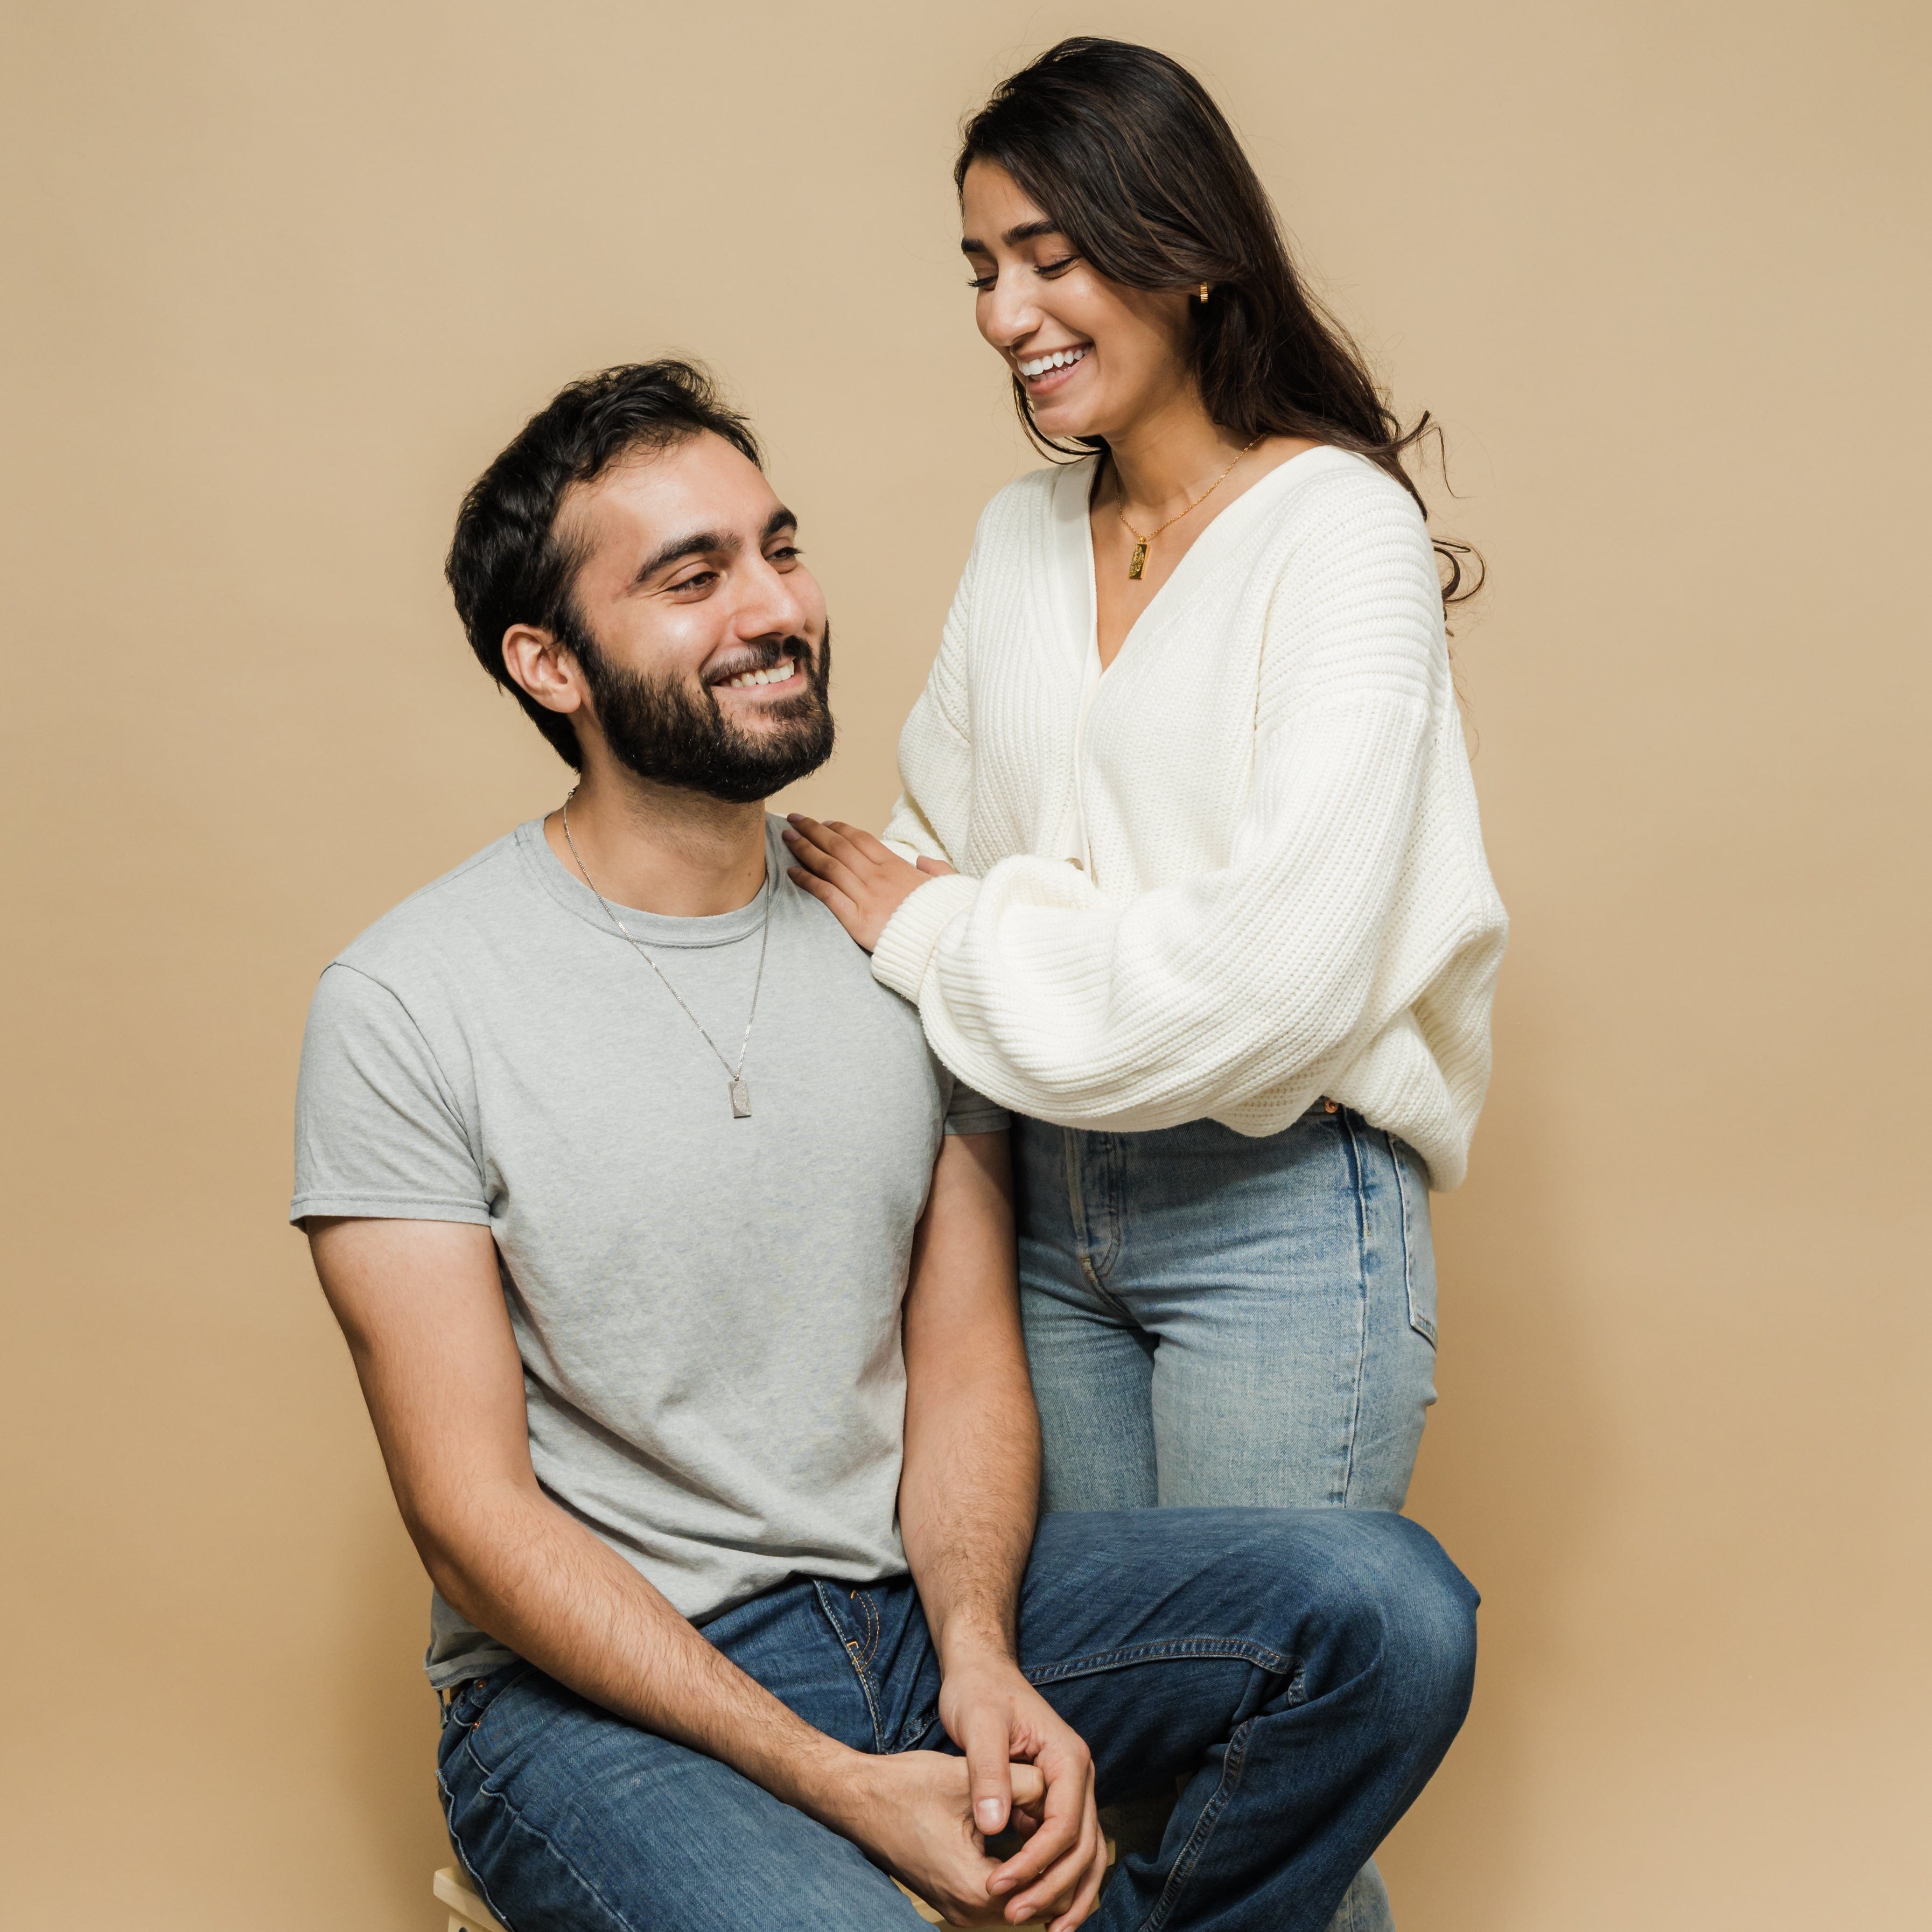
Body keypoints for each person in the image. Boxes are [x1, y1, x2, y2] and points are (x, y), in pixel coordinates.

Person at [291, 359, 1478, 1932]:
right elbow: (472, 1517)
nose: (775, 607)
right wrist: (840, 1783)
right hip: (600, 1708)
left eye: (778, 548)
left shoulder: (901, 943)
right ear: (548, 661)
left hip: (908, 1623)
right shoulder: (405, 1000)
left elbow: (965, 1363)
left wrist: (979, 1656)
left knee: (1389, 1614)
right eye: (692, 578)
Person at [781, 40, 1509, 1931]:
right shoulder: (1016, 539)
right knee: (1092, 1758)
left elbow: (1264, 979)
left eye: (1049, 257)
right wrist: (1002, 935)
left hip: (1277, 1209)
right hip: (1040, 1206)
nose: (1004, 315)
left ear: (1182, 251)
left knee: (1270, 1750)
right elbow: (919, 849)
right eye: (979, 270)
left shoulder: (1335, 532)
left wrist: (963, 931)